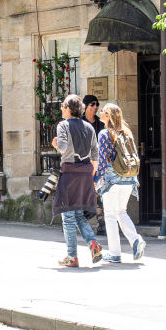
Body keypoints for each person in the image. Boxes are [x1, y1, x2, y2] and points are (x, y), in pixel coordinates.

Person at [52, 94, 102, 267]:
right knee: (79, 213)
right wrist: (91, 175)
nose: (61, 109)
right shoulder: (89, 127)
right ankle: (93, 243)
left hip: (70, 173)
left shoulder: (63, 126)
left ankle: (72, 257)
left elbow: (63, 147)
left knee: (68, 215)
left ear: (68, 108)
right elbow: (95, 153)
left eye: (62, 106)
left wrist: (56, 143)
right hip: (86, 172)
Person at [96, 103, 146, 263]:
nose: (100, 112)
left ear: (108, 116)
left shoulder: (105, 134)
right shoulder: (127, 133)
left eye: (103, 111)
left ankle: (115, 253)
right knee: (121, 212)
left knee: (110, 216)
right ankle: (136, 240)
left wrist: (97, 180)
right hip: (129, 179)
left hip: (112, 181)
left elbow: (102, 161)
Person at [82, 94, 106, 234]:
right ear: (85, 106)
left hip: (98, 164)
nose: (96, 107)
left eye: (97, 104)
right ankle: (73, 221)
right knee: (82, 195)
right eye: (92, 104)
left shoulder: (100, 123)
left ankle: (102, 225)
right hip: (83, 163)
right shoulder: (80, 123)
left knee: (98, 193)